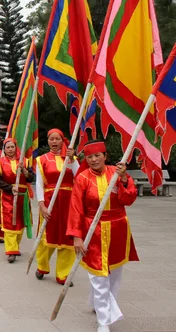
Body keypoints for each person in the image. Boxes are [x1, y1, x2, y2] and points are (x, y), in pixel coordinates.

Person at [66, 140, 138, 332]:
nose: (93, 159)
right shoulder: (82, 178)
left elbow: (128, 199)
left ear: (105, 156)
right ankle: (104, 321)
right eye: (89, 157)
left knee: (114, 275)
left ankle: (97, 304)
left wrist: (124, 180)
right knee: (99, 276)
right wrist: (77, 236)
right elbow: (75, 209)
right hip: (93, 231)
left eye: (97, 155)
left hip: (118, 229)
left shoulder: (117, 173)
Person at [35, 129, 78, 285]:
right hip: (49, 201)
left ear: (62, 140)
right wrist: (41, 204)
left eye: (57, 139)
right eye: (51, 139)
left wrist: (72, 159)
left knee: (68, 238)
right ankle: (42, 265)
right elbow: (39, 183)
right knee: (47, 236)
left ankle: (63, 274)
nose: (54, 142)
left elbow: (79, 176)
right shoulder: (42, 159)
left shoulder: (72, 159)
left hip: (68, 202)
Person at [0, 138, 34, 263]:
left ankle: (16, 246)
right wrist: (10, 187)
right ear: (4, 149)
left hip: (23, 197)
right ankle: (11, 250)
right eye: (7, 147)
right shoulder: (0, 162)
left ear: (16, 148)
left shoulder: (25, 161)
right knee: (10, 222)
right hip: (8, 196)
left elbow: (31, 178)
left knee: (20, 223)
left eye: (12, 147)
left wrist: (25, 171)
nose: (10, 149)